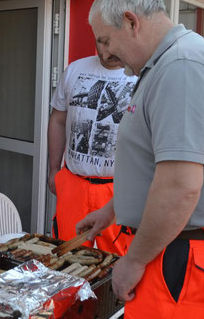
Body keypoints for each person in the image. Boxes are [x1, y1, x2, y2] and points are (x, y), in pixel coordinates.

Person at [76, 0, 204, 318]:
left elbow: (179, 187)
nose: (104, 53)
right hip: (177, 246)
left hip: (185, 254)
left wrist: (134, 260)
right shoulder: (165, 64)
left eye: (105, 40)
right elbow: (155, 165)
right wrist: (112, 210)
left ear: (131, 22)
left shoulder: (182, 67)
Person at [48, 32, 136, 256]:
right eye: (101, 41)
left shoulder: (141, 77)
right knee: (67, 256)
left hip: (119, 188)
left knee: (116, 259)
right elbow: (57, 120)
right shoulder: (75, 70)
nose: (106, 52)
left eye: (112, 42)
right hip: (74, 183)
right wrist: (53, 170)